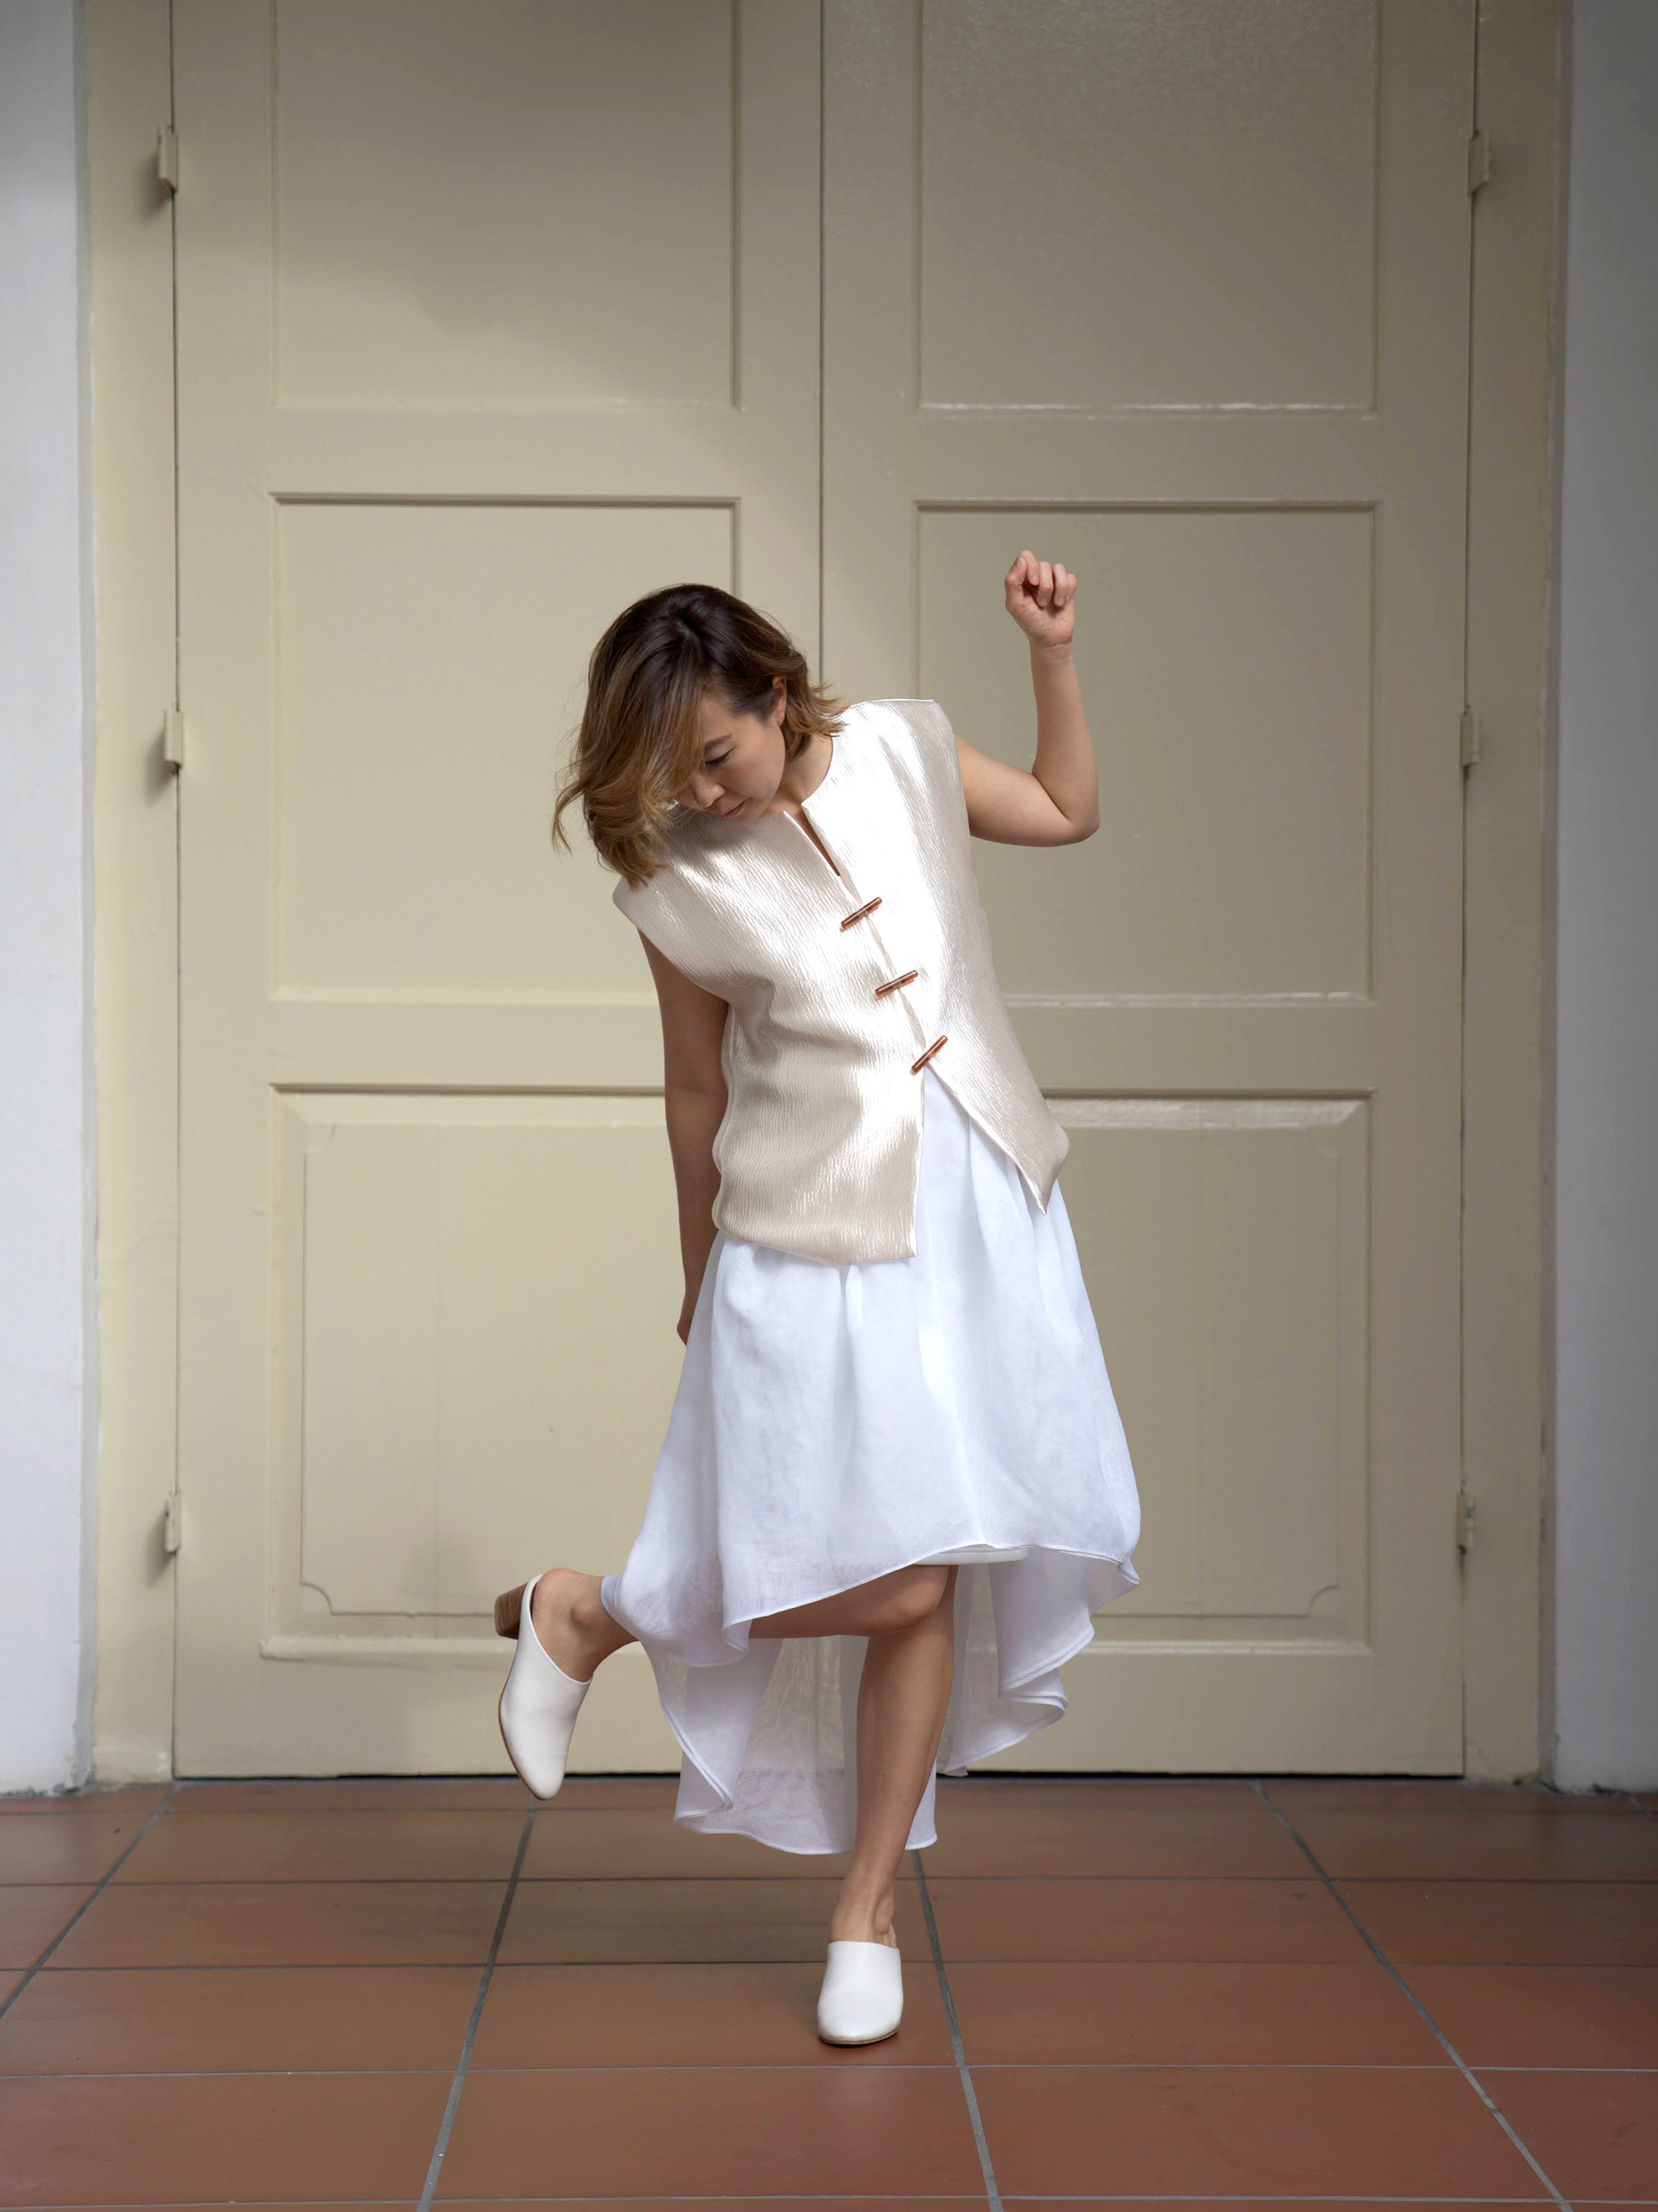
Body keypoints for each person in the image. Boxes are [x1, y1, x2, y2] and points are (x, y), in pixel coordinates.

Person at [495, 554, 1141, 2046]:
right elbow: (692, 1086)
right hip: (804, 1233)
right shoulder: (673, 882)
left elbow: (1065, 806)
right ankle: (597, 1612)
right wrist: (695, 1268)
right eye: (673, 773)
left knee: (948, 1563)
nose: (706, 794)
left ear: (774, 696)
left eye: (717, 754)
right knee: (903, 1572)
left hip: (980, 1207)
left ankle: (860, 1912)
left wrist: (1055, 651)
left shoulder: (910, 747)